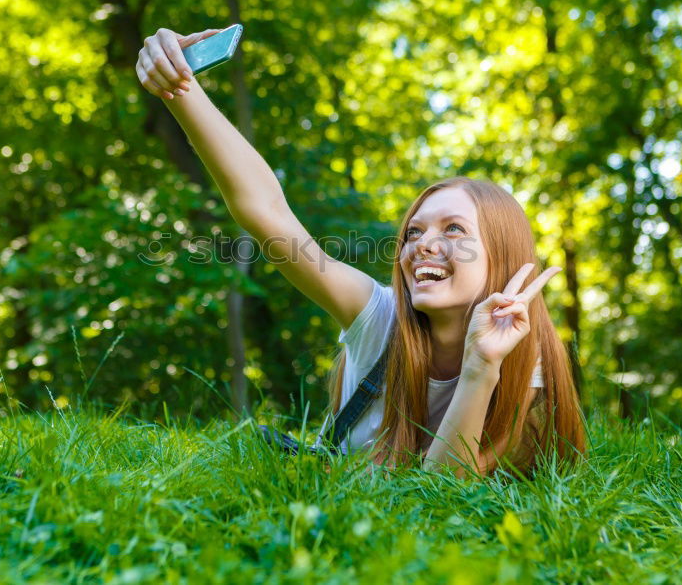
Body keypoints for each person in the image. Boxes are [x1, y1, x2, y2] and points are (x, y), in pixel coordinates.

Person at [136, 27, 586, 480]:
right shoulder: (377, 317)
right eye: (413, 232)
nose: (422, 244)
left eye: (454, 229)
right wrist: (180, 87)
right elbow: (267, 211)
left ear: (501, 255)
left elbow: (443, 495)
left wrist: (482, 366)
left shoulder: (523, 356)